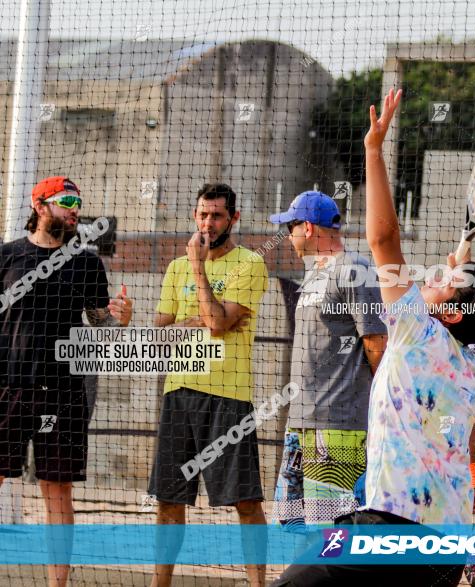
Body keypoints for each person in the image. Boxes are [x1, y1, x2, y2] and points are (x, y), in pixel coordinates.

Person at [271, 89, 475, 586]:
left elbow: (383, 239)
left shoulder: (414, 331)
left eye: (435, 284)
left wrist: (374, 151)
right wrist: (456, 272)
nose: (426, 279)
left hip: (386, 532)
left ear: (447, 313)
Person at [0, 176, 132, 587]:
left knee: (57, 491)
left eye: (78, 202)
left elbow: (98, 319)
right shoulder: (6, 257)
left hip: (63, 391)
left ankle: (59, 583)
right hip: (8, 386)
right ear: (40, 206)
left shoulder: (87, 262)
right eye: (67, 201)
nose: (75, 209)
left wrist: (119, 317)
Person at [148, 182, 269, 587]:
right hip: (179, 393)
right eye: (202, 214)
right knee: (169, 501)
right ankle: (160, 583)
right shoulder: (174, 267)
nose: (207, 222)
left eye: (216, 215)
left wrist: (199, 271)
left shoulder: (250, 263)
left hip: (228, 397)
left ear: (233, 218)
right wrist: (203, 319)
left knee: (246, 501)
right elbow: (161, 334)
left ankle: (257, 584)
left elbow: (217, 324)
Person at [268, 191, 387, 528]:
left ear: (307, 227)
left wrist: (379, 413)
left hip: (338, 428)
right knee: (291, 530)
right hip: (301, 425)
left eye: (290, 225)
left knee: (331, 537)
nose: (287, 233)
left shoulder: (353, 269)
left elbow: (376, 343)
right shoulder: (315, 274)